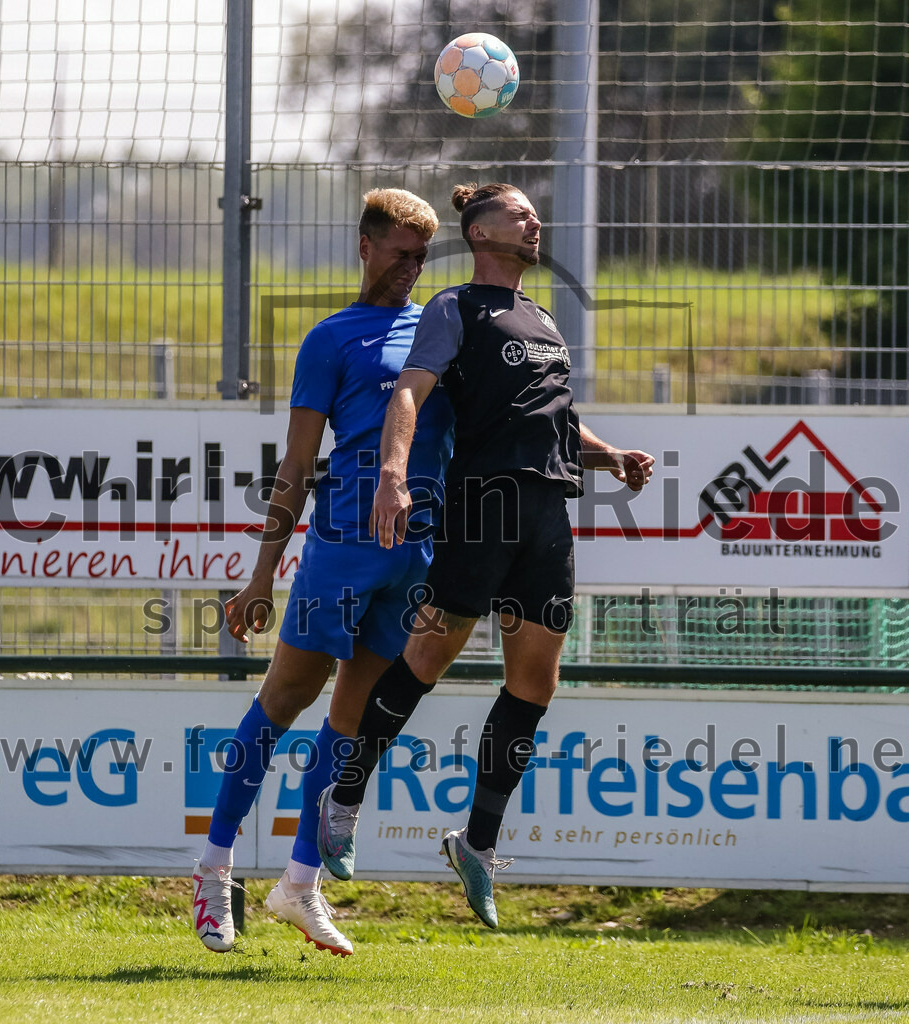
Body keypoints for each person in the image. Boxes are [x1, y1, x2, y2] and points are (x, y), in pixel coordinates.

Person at [316, 182, 655, 928]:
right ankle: (343, 795)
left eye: (537, 212)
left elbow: (556, 423)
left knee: (534, 683)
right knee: (426, 661)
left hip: (546, 513)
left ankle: (476, 843)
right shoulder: (453, 308)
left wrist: (612, 457)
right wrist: (393, 475)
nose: (537, 221)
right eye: (520, 212)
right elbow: (409, 393)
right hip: (482, 505)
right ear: (479, 232)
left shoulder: (542, 319)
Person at [192, 188, 453, 955]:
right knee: (281, 702)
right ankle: (213, 872)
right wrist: (261, 573)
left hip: (418, 554)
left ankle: (299, 885)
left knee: (352, 721)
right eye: (401, 253)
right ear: (365, 246)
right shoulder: (331, 339)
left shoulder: (441, 330)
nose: (411, 270)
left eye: (422, 258)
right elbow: (298, 465)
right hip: (341, 546)